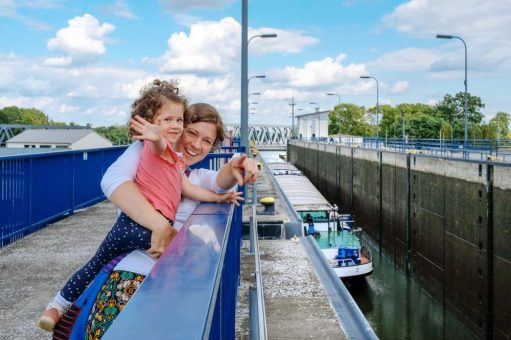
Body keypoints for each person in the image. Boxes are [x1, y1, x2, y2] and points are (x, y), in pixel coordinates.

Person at [38, 80, 242, 332]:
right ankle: (58, 306)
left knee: (97, 264)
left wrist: (237, 167)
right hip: (135, 253)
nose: (196, 144)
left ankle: (58, 305)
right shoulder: (149, 148)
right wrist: (161, 226)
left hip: (155, 264)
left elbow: (216, 182)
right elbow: (113, 178)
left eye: (207, 141)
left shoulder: (185, 170)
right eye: (191, 132)